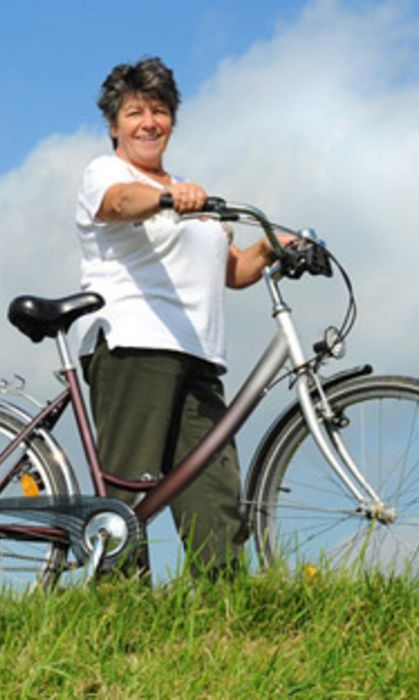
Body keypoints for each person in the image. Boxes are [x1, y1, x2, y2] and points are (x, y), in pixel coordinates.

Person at [74, 58, 285, 578]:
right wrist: (167, 199)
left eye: (160, 111)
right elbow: (121, 203)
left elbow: (231, 271)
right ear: (114, 126)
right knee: (129, 488)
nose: (149, 122)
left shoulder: (190, 189)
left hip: (199, 355)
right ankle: (119, 605)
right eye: (135, 112)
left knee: (213, 484)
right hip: (133, 343)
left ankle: (225, 605)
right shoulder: (108, 173)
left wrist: (276, 247)